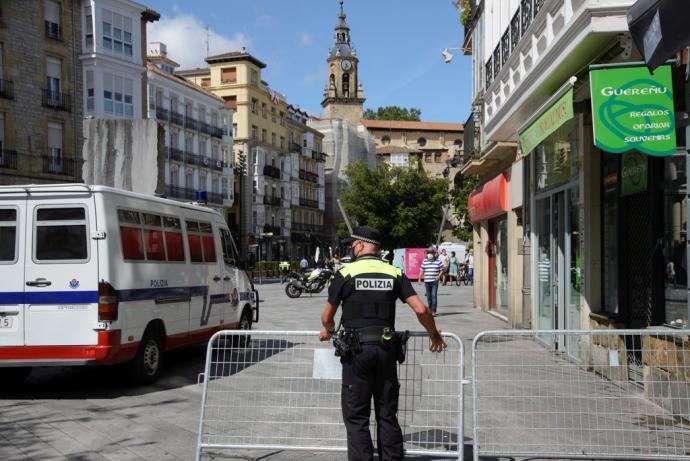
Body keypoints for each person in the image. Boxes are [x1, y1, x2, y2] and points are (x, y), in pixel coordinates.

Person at [319, 226, 446, 461]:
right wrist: (434, 334)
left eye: (352, 245)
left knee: (357, 416)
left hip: (356, 352)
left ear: (359, 245)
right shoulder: (394, 273)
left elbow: (327, 317)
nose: (351, 248)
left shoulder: (345, 273)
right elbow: (421, 308)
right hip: (387, 350)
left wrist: (328, 331)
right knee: (387, 414)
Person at [418, 249, 443, 316]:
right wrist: (419, 279)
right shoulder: (425, 261)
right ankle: (430, 310)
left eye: (431, 253)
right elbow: (421, 270)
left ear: (434, 254)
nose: (429, 254)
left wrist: (438, 276)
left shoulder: (438, 261)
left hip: (434, 281)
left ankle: (434, 311)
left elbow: (441, 270)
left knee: (434, 296)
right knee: (429, 297)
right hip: (427, 281)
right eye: (428, 253)